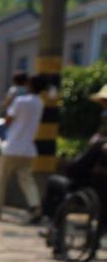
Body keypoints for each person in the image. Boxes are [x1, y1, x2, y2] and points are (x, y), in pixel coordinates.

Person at [41, 84, 107, 222]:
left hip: (90, 183)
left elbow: (76, 168)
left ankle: (51, 223)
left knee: (54, 183)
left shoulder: (99, 143)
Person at [0, 74, 46, 220]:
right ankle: (35, 205)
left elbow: (8, 119)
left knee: (1, 180)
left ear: (29, 85)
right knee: (27, 180)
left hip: (12, 147)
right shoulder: (40, 103)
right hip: (29, 149)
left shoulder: (20, 101)